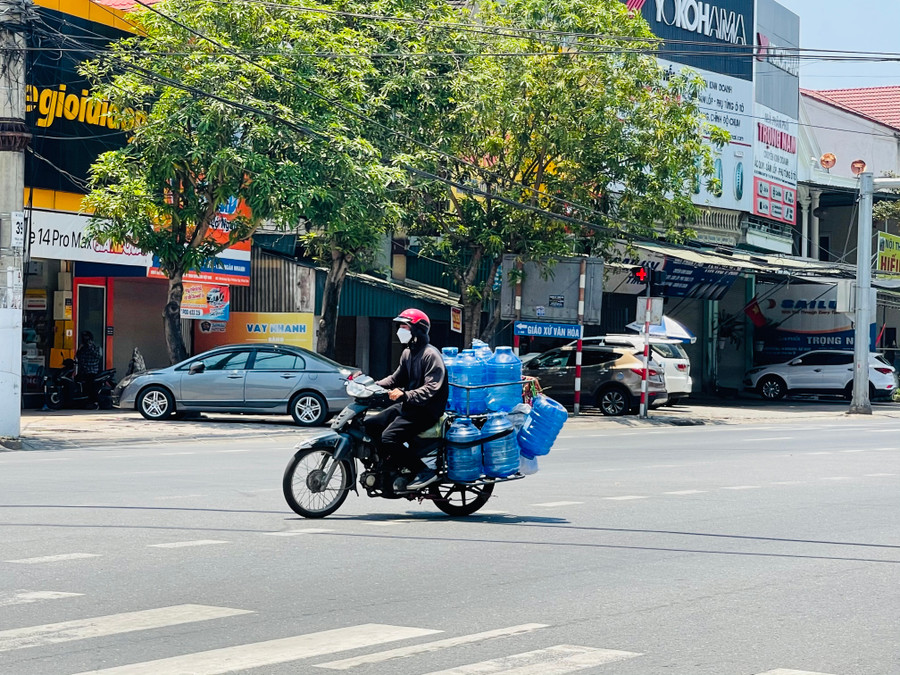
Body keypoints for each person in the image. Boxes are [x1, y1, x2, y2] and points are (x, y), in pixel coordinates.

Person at [366, 308, 449, 490]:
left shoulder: (431, 355)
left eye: (405, 326)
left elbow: (431, 388)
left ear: (418, 330)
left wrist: (405, 395)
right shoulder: (408, 353)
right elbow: (395, 379)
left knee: (389, 437)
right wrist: (370, 385)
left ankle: (423, 470)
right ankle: (389, 464)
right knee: (370, 425)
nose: (400, 330)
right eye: (400, 326)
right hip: (410, 406)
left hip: (427, 411)